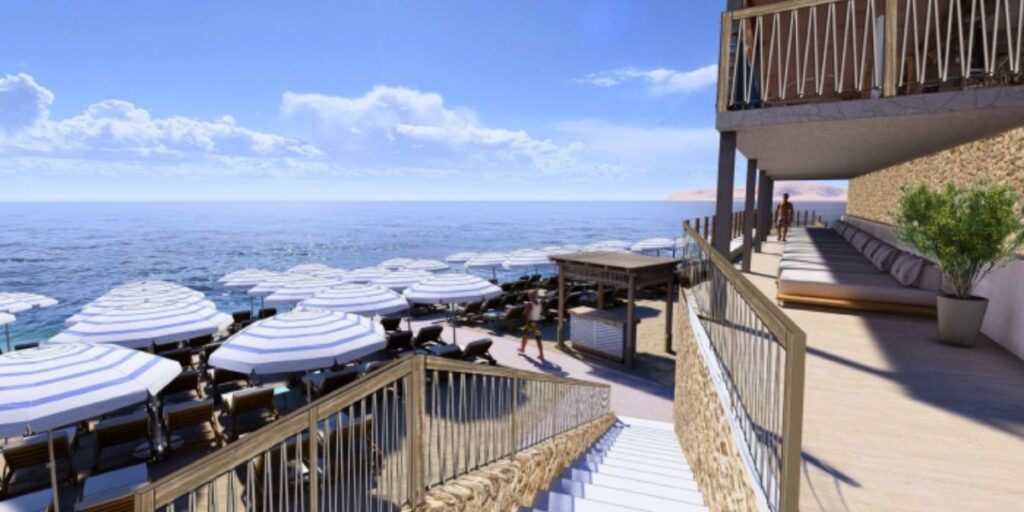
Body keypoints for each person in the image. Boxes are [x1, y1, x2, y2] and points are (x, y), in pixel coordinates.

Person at [518, 290, 545, 361]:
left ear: (530, 296)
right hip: (538, 322)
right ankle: (541, 355)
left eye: (529, 295)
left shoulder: (530, 304)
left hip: (531, 322)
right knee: (538, 338)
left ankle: (522, 348)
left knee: (525, 335)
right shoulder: (539, 302)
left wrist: (526, 324)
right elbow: (541, 311)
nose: (528, 297)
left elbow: (526, 314)